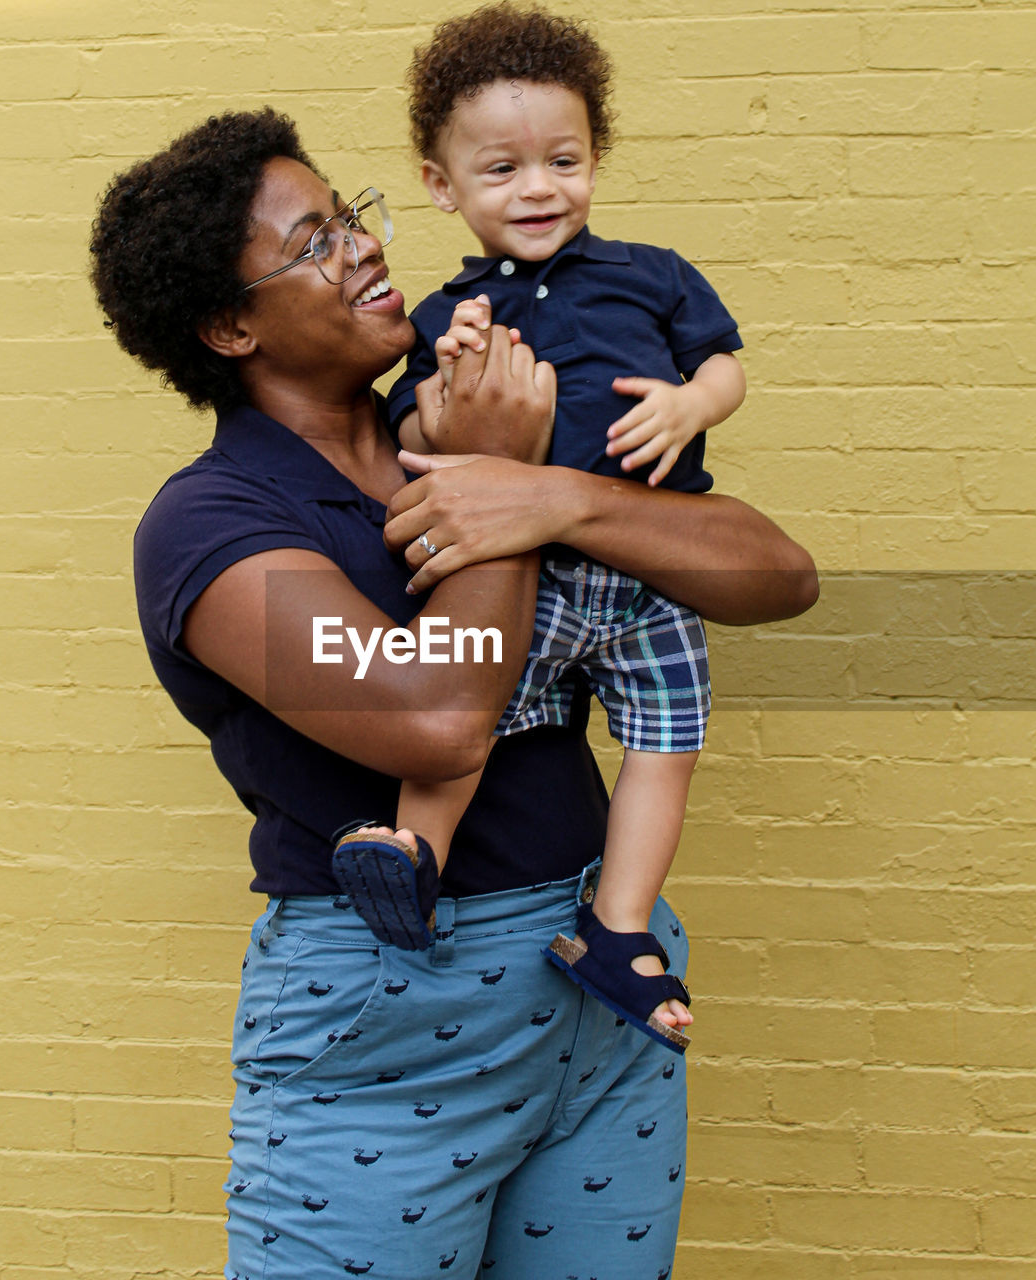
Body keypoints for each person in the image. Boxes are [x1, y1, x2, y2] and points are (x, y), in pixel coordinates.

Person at [90, 107, 816, 1280]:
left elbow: (777, 575)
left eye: (354, 215)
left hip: (593, 992)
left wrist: (564, 498)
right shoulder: (211, 525)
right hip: (387, 1018)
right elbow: (434, 718)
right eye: (316, 240)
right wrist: (508, 487)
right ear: (229, 324)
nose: (366, 246)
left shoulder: (466, 415)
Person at [333, 2, 746, 1054]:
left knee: (667, 744)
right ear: (442, 186)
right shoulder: (443, 314)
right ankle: (412, 853)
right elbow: (415, 433)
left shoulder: (651, 273)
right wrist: (453, 378)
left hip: (647, 569)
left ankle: (616, 926)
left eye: (563, 159)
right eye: (503, 169)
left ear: (596, 157)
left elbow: (722, 364)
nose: (538, 188)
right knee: (468, 715)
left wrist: (694, 406)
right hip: (529, 579)